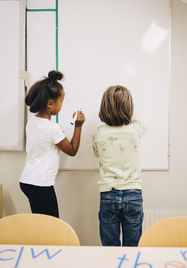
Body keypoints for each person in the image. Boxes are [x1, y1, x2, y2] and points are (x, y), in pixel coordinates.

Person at [20, 70, 85, 218]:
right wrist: (78, 126)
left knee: (41, 223)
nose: (62, 105)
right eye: (61, 102)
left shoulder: (32, 121)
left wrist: (57, 133)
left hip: (27, 180)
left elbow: (45, 139)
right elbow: (72, 150)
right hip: (40, 184)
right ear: (50, 103)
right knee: (52, 224)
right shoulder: (51, 128)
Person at [92, 85, 145, 246]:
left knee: (110, 247)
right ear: (129, 108)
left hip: (108, 195)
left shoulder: (98, 133)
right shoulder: (135, 131)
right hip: (133, 194)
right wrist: (125, 112)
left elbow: (97, 154)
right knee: (133, 245)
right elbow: (138, 122)